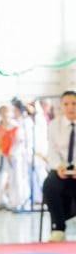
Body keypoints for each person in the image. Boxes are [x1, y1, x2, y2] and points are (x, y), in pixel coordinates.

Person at [42, 90, 76, 241]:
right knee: (49, 184)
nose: (70, 107)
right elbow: (52, 151)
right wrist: (59, 167)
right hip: (61, 170)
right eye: (66, 104)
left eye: (74, 104)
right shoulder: (54, 125)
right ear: (61, 106)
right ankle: (58, 228)